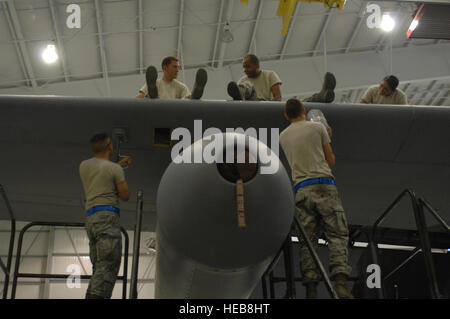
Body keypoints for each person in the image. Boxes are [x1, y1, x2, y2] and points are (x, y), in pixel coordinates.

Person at [279, 99, 354, 299]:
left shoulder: (283, 136)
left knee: (307, 241)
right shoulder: (317, 127)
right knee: (337, 234)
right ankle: (340, 283)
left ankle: (311, 289)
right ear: (303, 110)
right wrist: (326, 137)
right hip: (324, 185)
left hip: (301, 190)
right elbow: (330, 160)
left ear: (287, 115)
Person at [79, 133, 132, 299]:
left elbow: (102, 173)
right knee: (109, 262)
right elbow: (125, 195)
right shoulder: (113, 169)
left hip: (91, 219)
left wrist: (117, 166)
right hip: (107, 217)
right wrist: (119, 171)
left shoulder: (84, 165)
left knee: (99, 265)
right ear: (110, 146)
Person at [227, 54, 336, 103]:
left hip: (267, 105)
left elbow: (277, 97)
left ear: (257, 65)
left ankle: (322, 96)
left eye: (247, 66)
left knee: (296, 104)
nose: (244, 70)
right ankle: (240, 94)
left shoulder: (270, 74)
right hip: (251, 104)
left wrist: (268, 107)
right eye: (243, 67)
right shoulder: (242, 80)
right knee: (247, 85)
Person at [136, 56, 207, 100]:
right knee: (152, 97)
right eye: (174, 67)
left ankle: (196, 93)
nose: (177, 70)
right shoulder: (155, 83)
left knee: (189, 99)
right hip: (156, 112)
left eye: (178, 67)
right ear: (165, 68)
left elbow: (188, 105)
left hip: (174, 115)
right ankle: (153, 94)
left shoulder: (181, 87)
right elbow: (139, 98)